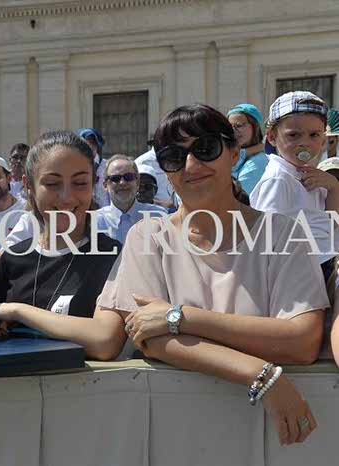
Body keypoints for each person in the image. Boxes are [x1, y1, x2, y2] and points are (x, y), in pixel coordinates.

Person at [100, 104, 326, 445]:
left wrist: (180, 317)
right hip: (177, 431)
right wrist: (261, 374)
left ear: (234, 153)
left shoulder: (284, 234)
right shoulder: (147, 237)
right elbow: (151, 338)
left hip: (271, 435)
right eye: (174, 157)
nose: (191, 165)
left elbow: (302, 341)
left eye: (205, 149)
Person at [0, 131, 124, 359]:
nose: (67, 197)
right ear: (28, 185)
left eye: (80, 183)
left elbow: (105, 341)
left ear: (94, 184)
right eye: (52, 184)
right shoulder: (12, 258)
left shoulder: (113, 257)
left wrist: (19, 311)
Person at [249, 91, 338, 266]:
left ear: (323, 139)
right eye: (293, 135)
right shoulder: (278, 179)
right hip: (303, 268)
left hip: (324, 260)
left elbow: (332, 222)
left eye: (314, 135)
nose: (304, 142)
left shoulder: (309, 174)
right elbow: (267, 239)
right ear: (272, 137)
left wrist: (334, 187)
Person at [96, 155, 168, 245]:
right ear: (105, 185)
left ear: (137, 183)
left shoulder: (158, 216)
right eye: (115, 178)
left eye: (128, 177)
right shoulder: (96, 221)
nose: (122, 183)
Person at [228, 103, 269, 195]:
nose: (233, 131)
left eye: (239, 125)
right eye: (230, 126)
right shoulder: (230, 154)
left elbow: (233, 197)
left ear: (256, 127)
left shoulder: (257, 162)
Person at [77, 128, 109, 208]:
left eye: (92, 142)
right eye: (85, 143)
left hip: (105, 210)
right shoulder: (73, 167)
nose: (89, 146)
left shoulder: (107, 166)